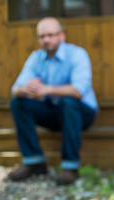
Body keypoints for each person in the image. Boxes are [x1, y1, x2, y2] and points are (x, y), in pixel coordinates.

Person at [8, 17, 99, 185]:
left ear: (61, 36)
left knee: (68, 102)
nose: (46, 40)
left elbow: (78, 91)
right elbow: (15, 89)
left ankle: (70, 166)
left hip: (82, 112)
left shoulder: (77, 54)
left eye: (50, 35)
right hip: (55, 112)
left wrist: (47, 89)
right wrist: (24, 89)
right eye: (42, 36)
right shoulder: (36, 57)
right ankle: (34, 162)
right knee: (17, 103)